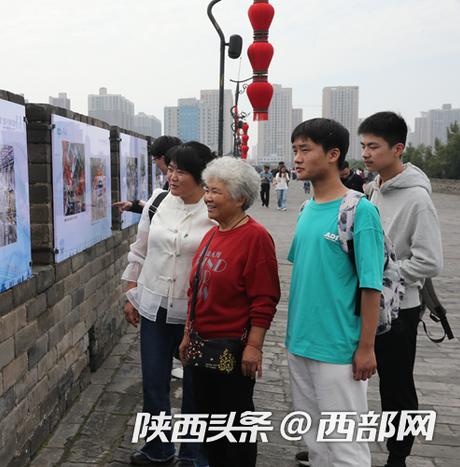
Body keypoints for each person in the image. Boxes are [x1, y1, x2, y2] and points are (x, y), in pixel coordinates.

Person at [288, 118, 384, 467]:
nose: (297, 158)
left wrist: (366, 347)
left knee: (346, 447)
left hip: (340, 350)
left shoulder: (360, 211)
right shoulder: (306, 209)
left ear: (333, 155)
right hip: (300, 342)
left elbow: (371, 284)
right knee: (315, 444)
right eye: (295, 149)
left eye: (305, 149)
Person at [178, 157, 280, 467]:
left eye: (216, 192)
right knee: (208, 421)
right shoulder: (213, 234)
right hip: (201, 345)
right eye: (207, 190)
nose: (207, 197)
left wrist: (254, 347)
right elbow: (194, 290)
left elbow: (265, 298)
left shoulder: (256, 238)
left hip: (231, 348)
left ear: (239, 197)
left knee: (234, 423)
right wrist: (186, 335)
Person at [122, 142, 215, 466]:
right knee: (154, 380)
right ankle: (158, 447)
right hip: (154, 306)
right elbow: (140, 250)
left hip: (197, 313)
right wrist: (131, 293)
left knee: (196, 385)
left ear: (201, 176)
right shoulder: (159, 201)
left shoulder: (214, 208)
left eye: (182, 171)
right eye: (171, 168)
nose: (172, 177)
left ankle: (193, 454)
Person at [359, 112, 443, 467]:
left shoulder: (417, 199)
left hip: (400, 309)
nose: (365, 153)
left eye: (373, 146)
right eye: (363, 145)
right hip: (368, 300)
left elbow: (429, 261)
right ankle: (344, 447)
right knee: (355, 377)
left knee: (395, 384)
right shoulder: (374, 189)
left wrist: (385, 276)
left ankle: (398, 454)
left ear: (398, 149)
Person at [114, 135, 182, 213]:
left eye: (155, 159)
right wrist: (133, 205)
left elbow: (166, 214)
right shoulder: (170, 184)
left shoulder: (181, 188)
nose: (155, 164)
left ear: (163, 158)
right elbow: (158, 209)